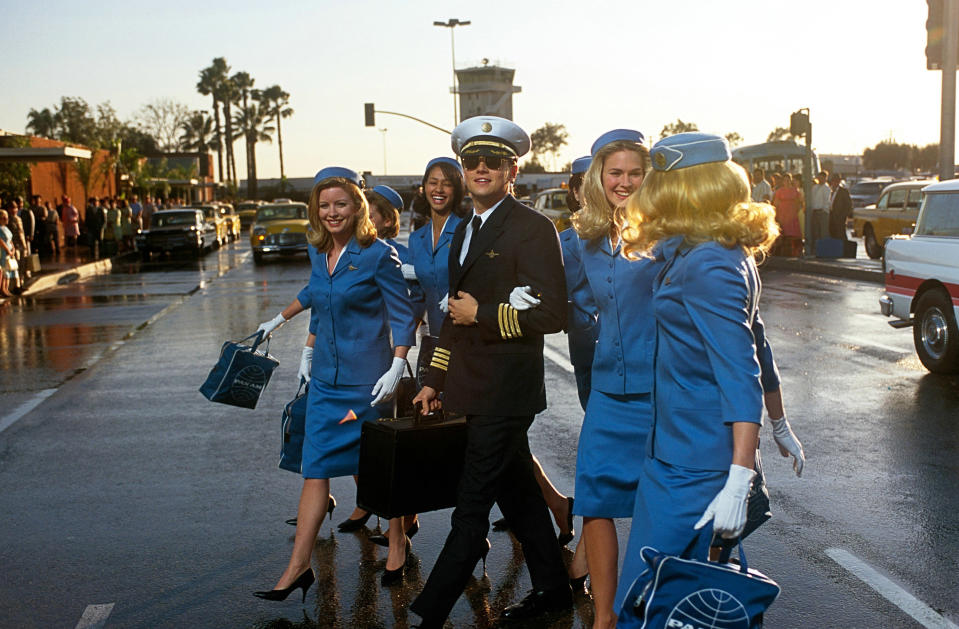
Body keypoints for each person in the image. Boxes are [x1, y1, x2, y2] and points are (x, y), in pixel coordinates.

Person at [409, 116, 572, 627]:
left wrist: (482, 312)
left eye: (493, 162)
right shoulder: (463, 228)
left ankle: (428, 613)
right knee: (519, 494)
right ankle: (554, 590)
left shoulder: (532, 227)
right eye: (472, 162)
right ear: (462, 170)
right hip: (466, 387)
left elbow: (553, 315)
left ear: (512, 169)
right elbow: (451, 317)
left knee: (470, 507)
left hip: (505, 393)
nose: (481, 169)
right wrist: (433, 378)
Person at [615, 133, 782, 626]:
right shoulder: (709, 250)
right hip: (689, 456)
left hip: (690, 468)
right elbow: (758, 340)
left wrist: (738, 481)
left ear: (685, 189)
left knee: (644, 602)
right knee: (694, 602)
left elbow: (739, 372)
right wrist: (780, 421)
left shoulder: (707, 263)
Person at [252, 167, 416, 602]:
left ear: (357, 207)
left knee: (379, 471)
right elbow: (316, 295)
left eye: (340, 204)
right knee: (315, 470)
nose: (331, 212)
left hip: (369, 383)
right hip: (326, 381)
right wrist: (288, 329)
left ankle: (398, 540)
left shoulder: (379, 254)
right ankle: (298, 566)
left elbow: (401, 313)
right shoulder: (316, 249)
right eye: (323, 206)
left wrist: (398, 364)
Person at [568, 129, 658, 629]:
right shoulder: (582, 238)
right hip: (606, 392)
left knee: (656, 507)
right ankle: (605, 618)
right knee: (595, 502)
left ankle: (650, 608)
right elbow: (547, 290)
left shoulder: (669, 232)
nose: (623, 181)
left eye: (633, 173)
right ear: (598, 177)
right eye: (615, 172)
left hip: (661, 394)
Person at [772, 172, 802, 255]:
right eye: (785, 180)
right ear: (783, 181)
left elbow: (799, 202)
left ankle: (795, 251)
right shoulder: (779, 191)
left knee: (793, 232)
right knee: (783, 232)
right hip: (782, 213)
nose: (787, 182)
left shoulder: (795, 190)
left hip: (792, 213)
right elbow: (776, 203)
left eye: (788, 180)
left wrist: (796, 210)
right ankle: (784, 251)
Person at [809, 170, 832, 243]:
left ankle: (824, 248)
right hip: (815, 211)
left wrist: (824, 210)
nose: (820, 179)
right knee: (815, 231)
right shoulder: (814, 187)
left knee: (823, 231)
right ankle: (815, 248)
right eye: (819, 177)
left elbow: (827, 201)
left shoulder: (827, 189)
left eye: (822, 178)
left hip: (823, 212)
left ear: (825, 178)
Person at [829, 172, 852, 241]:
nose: (835, 183)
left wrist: (843, 216)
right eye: (833, 181)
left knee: (841, 235)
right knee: (832, 235)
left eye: (837, 181)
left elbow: (848, 205)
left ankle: (844, 250)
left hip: (840, 218)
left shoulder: (843, 192)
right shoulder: (829, 191)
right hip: (831, 217)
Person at [0, 209, 19, 297]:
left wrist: (13, 248)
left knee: (9, 271)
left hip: (10, 252)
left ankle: (6, 289)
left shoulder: (6, 228)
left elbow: (10, 240)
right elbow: (1, 241)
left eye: (7, 217)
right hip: (4, 252)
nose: (6, 219)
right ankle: (3, 289)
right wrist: (7, 250)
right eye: (4, 217)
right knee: (5, 271)